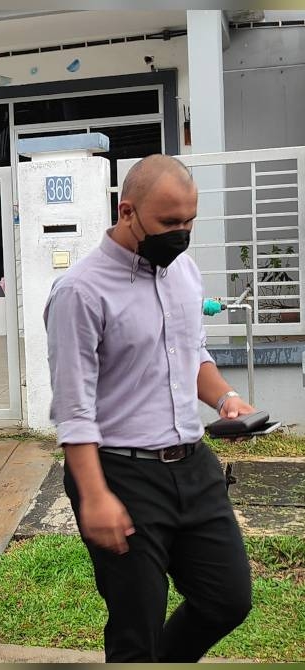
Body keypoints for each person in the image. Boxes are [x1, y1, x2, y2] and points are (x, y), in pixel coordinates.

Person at [44, 154, 254, 662]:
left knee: (226, 600)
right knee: (136, 625)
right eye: (168, 223)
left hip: (194, 465)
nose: (180, 233)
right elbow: (74, 410)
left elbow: (192, 353)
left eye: (188, 221)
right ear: (127, 211)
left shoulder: (183, 271)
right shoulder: (80, 292)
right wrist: (94, 496)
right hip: (122, 473)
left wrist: (225, 398)